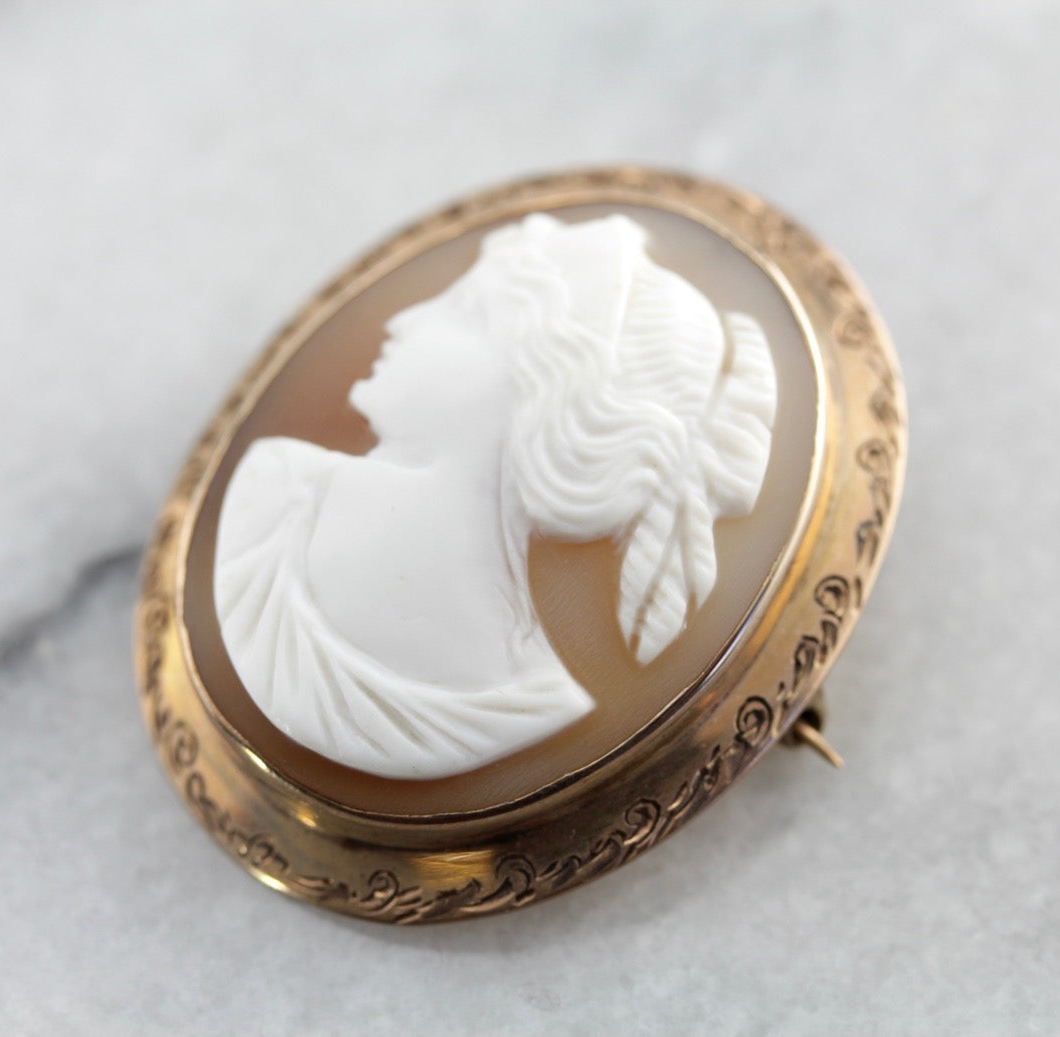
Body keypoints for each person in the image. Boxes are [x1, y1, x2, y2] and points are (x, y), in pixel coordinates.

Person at [214, 213, 776, 780]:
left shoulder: (536, 710)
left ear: (543, 380)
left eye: (462, 308)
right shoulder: (271, 501)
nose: (404, 317)